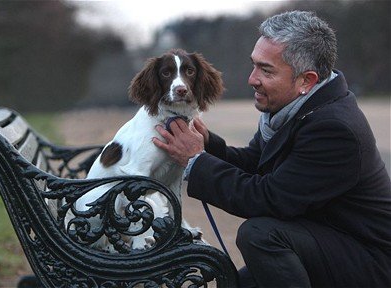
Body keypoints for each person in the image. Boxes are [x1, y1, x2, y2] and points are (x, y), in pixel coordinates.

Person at [153, 10, 391, 288]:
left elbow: (269, 199)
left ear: (306, 80)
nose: (252, 79)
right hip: (323, 239)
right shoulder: (293, 108)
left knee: (260, 234)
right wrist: (209, 145)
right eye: (254, 65)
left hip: (370, 262)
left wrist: (196, 160)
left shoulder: (335, 129)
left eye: (266, 70)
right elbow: (257, 162)